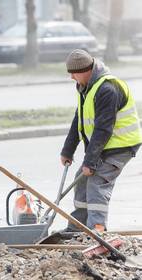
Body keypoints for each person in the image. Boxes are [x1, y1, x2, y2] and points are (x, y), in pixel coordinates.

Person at [60, 49, 142, 233]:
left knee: (97, 180)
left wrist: (90, 162)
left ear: (86, 70)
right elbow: (78, 120)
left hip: (121, 145)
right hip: (105, 145)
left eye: (74, 73)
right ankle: (78, 228)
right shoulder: (86, 87)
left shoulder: (107, 89)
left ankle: (97, 229)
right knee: (80, 180)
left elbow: (103, 129)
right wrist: (68, 150)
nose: (72, 77)